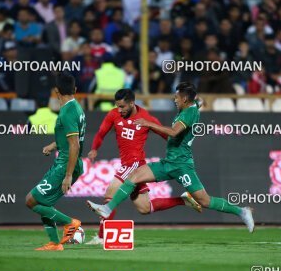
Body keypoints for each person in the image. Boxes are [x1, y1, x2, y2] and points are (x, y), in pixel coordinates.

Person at [87, 82, 255, 233]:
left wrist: (148, 123)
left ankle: (241, 211)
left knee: (205, 200)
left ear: (184, 99)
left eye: (177, 97)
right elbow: (198, 102)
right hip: (169, 163)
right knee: (134, 176)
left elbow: (174, 132)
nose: (174, 100)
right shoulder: (191, 106)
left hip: (182, 165)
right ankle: (108, 209)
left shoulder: (187, 114)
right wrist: (199, 102)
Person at [86, 89, 202, 245]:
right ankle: (183, 200)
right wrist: (94, 149)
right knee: (144, 208)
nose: (119, 110)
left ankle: (101, 237)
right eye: (117, 106)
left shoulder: (146, 118)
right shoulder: (113, 115)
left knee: (110, 193)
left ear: (132, 103)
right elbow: (101, 133)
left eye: (122, 107)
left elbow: (168, 136)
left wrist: (182, 152)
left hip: (134, 163)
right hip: (130, 166)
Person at [25, 73, 86, 251]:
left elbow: (74, 144)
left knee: (32, 201)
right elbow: (73, 139)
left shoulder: (67, 112)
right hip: (67, 161)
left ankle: (71, 223)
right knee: (44, 203)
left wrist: (68, 175)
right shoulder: (76, 108)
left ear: (56, 91)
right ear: (75, 90)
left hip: (66, 164)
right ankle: (54, 243)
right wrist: (54, 145)